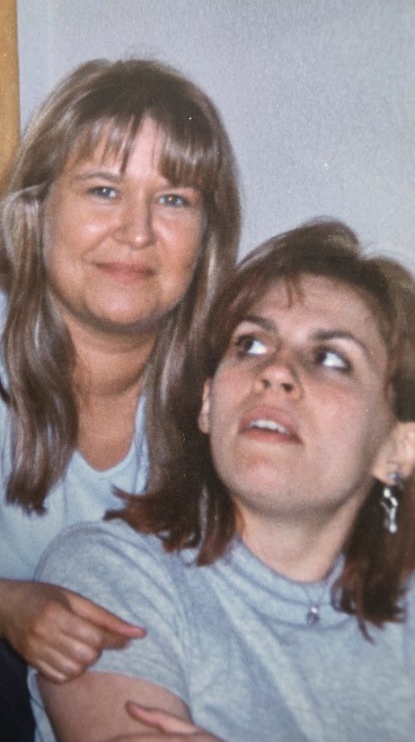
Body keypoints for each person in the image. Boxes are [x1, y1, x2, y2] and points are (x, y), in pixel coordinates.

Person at [29, 218, 415, 741]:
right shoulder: (112, 573)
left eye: (329, 358)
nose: (276, 371)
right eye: (251, 345)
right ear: (209, 403)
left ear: (397, 448)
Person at [0, 57, 240, 740]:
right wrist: (7, 605)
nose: (137, 231)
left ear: (206, 236)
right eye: (103, 190)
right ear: (36, 209)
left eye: (174, 200)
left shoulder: (235, 386)